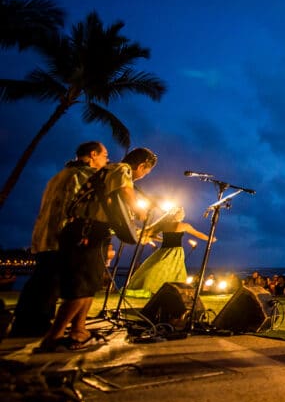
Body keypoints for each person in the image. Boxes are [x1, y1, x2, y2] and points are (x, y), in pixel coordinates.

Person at [37, 147, 156, 352]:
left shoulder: (108, 174)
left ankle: (79, 331)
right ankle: (53, 338)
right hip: (85, 232)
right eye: (146, 172)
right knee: (80, 287)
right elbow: (127, 193)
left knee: (89, 284)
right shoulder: (121, 169)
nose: (143, 176)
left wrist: (137, 232)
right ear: (142, 165)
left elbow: (114, 211)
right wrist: (140, 210)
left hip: (92, 232)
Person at [12, 141, 108, 337]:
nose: (107, 160)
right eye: (105, 156)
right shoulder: (84, 176)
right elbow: (84, 209)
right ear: (93, 155)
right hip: (65, 236)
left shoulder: (59, 176)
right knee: (58, 283)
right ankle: (39, 329)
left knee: (42, 280)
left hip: (44, 235)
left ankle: (27, 325)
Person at [124, 207, 212, 298]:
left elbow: (152, 234)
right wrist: (210, 238)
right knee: (172, 272)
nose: (183, 215)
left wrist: (162, 239)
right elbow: (198, 234)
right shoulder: (183, 225)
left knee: (156, 270)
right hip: (175, 251)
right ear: (177, 214)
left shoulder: (163, 225)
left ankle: (161, 290)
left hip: (163, 250)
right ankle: (169, 292)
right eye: (181, 213)